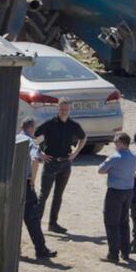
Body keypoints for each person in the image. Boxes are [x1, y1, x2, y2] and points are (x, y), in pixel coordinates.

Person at [35, 98, 87, 233]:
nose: (64, 111)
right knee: (44, 195)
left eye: (66, 109)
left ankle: (53, 224)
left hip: (65, 163)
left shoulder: (73, 125)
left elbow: (83, 137)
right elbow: (34, 136)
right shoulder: (50, 124)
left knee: (58, 195)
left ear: (70, 110)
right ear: (58, 109)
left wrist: (75, 153)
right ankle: (36, 223)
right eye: (62, 109)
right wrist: (40, 153)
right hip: (50, 162)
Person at [18, 118, 57, 259]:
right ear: (33, 129)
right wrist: (32, 181)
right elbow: (34, 159)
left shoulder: (15, 138)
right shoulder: (31, 141)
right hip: (25, 183)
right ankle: (41, 249)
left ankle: (15, 249)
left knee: (14, 217)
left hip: (12, 184)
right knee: (32, 217)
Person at [98, 132, 136, 263]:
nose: (114, 145)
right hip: (129, 191)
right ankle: (125, 252)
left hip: (115, 192)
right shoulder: (134, 156)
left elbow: (101, 170)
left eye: (115, 142)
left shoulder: (115, 157)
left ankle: (113, 254)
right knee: (124, 222)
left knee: (111, 223)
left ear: (121, 143)